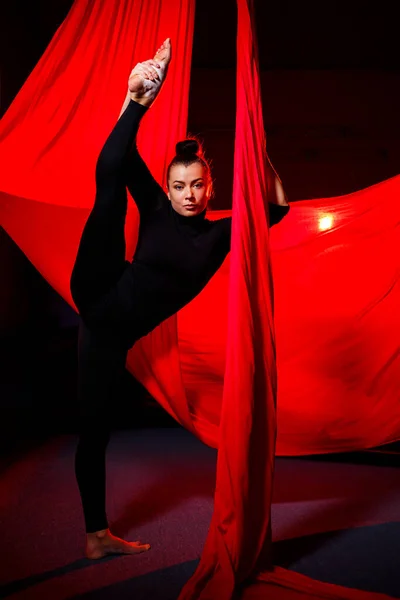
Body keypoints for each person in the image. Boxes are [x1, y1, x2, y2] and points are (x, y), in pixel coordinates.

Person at [70, 38, 289, 560]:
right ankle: (137, 98)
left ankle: (97, 536)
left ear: (209, 189)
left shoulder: (217, 236)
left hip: (106, 333)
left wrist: (259, 154)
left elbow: (276, 209)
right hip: (97, 284)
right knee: (109, 189)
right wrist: (133, 110)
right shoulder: (157, 210)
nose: (188, 194)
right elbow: (120, 163)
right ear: (167, 190)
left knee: (93, 432)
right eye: (179, 186)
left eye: (196, 185)